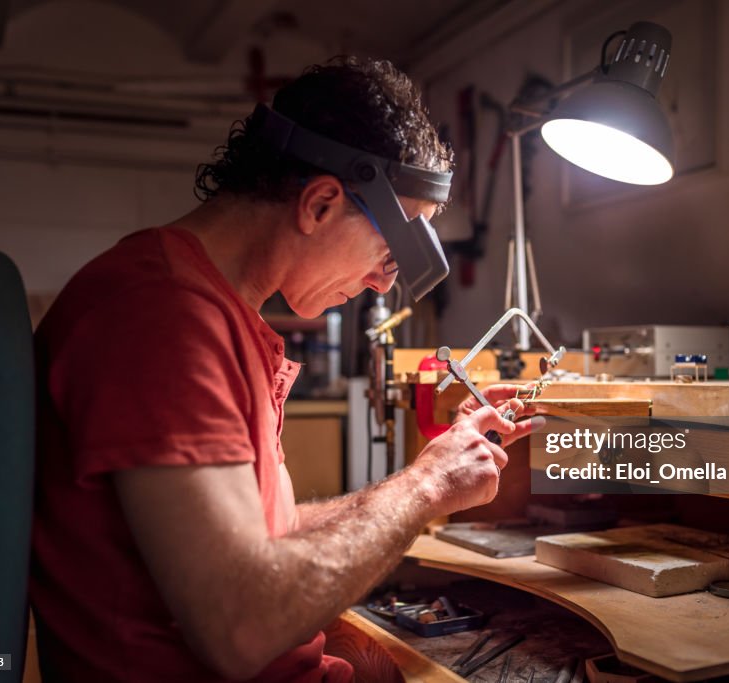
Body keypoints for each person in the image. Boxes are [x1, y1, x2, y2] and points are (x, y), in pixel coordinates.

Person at [30, 56, 537, 682]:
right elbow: (242, 623)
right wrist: (424, 489)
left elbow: (272, 533)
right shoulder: (163, 318)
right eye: (388, 252)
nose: (385, 283)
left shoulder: (209, 308)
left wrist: (435, 475)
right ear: (321, 204)